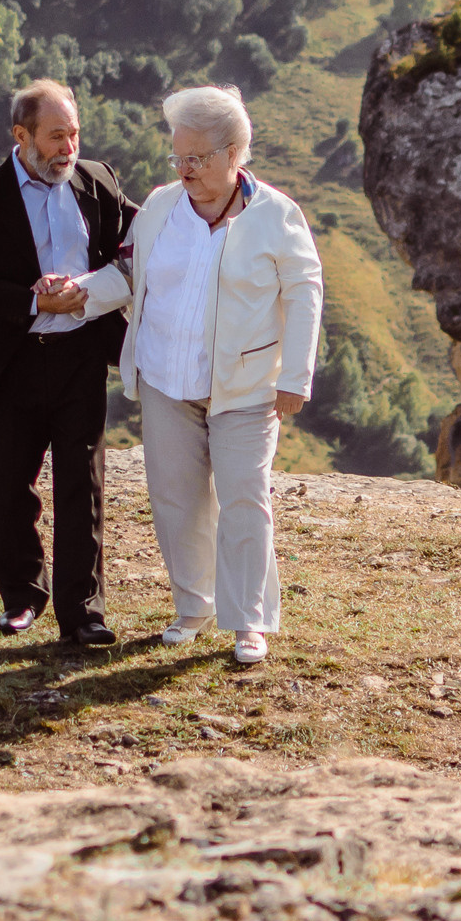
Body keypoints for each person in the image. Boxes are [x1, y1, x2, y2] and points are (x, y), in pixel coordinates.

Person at [62, 84, 321, 666]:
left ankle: (248, 621)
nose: (184, 170)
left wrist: (295, 375)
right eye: (177, 157)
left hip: (246, 387)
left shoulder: (276, 215)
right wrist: (76, 293)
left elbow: (305, 291)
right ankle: (193, 607)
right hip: (165, 381)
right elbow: (126, 273)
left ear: (235, 154)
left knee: (243, 499)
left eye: (197, 159)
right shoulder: (159, 207)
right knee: (176, 500)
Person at [0, 79, 136, 646]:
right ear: (21, 136)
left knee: (84, 487)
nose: (68, 147)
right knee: (11, 489)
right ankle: (21, 596)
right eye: (56, 136)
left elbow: (141, 234)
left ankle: (83, 614)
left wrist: (103, 286)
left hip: (80, 357)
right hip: (11, 362)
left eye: (74, 133)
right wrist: (33, 299)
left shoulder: (97, 181)